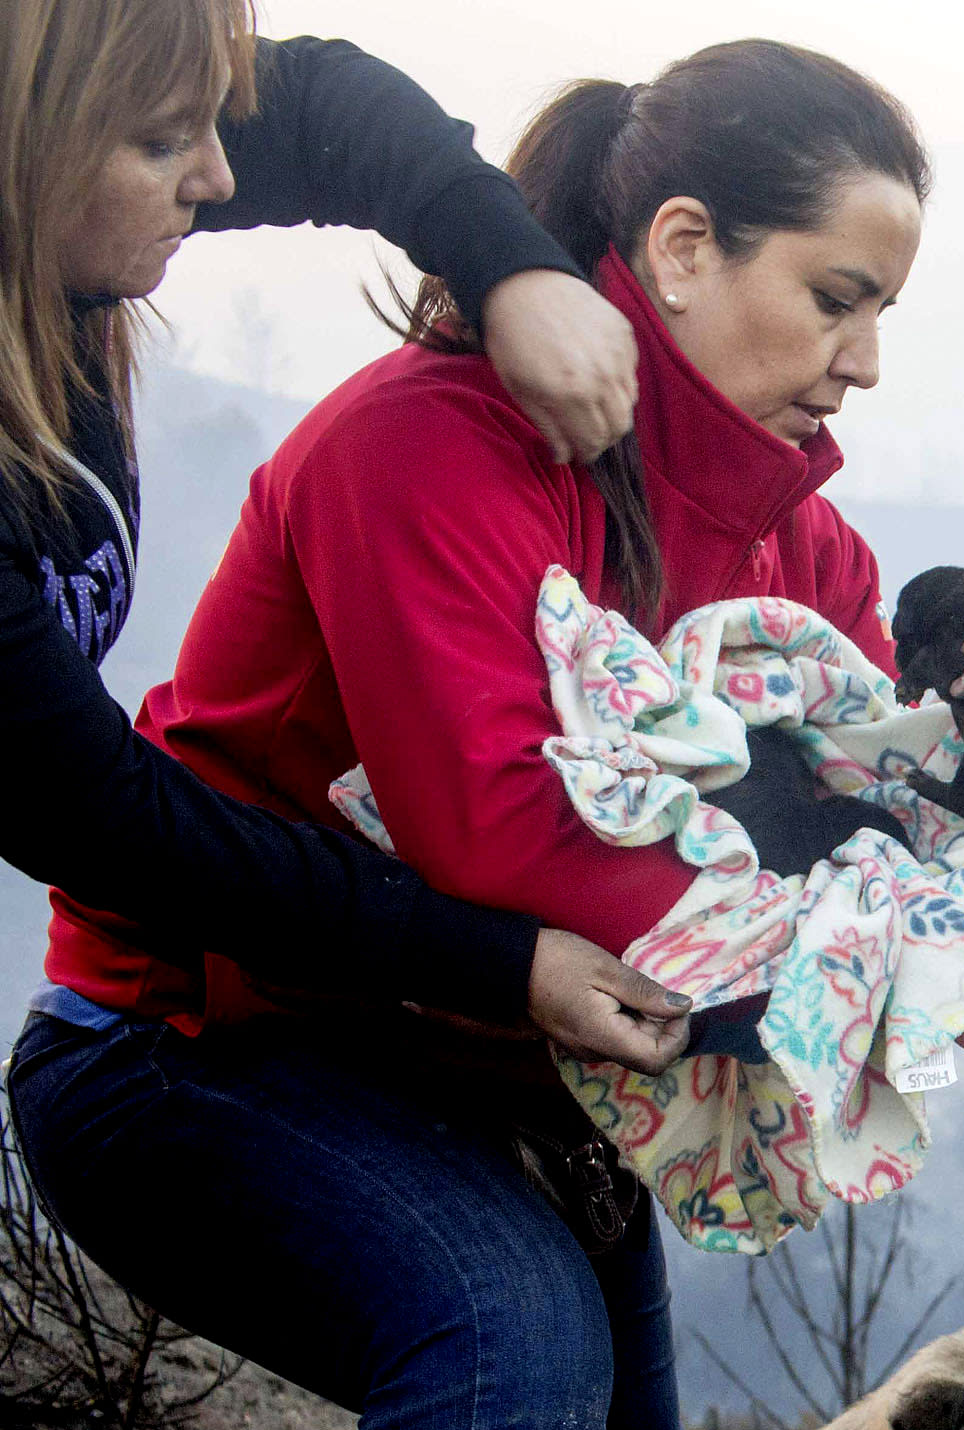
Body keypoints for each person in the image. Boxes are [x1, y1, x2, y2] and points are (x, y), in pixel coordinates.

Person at [8, 40, 934, 1430]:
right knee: (509, 1340)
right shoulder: (420, 452)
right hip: (180, 1043)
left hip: (465, 1080)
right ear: (676, 250)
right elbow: (520, 854)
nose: (863, 364)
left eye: (889, 313)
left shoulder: (788, 539)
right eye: (838, 298)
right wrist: (862, 891)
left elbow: (875, 794)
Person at [0, 2, 690, 1073]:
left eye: (212, 124)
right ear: (29, 136)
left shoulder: (64, 241)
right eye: (159, 141)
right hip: (157, 1029)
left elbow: (323, 103)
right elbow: (104, 819)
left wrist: (513, 270)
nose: (220, 177)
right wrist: (499, 961)